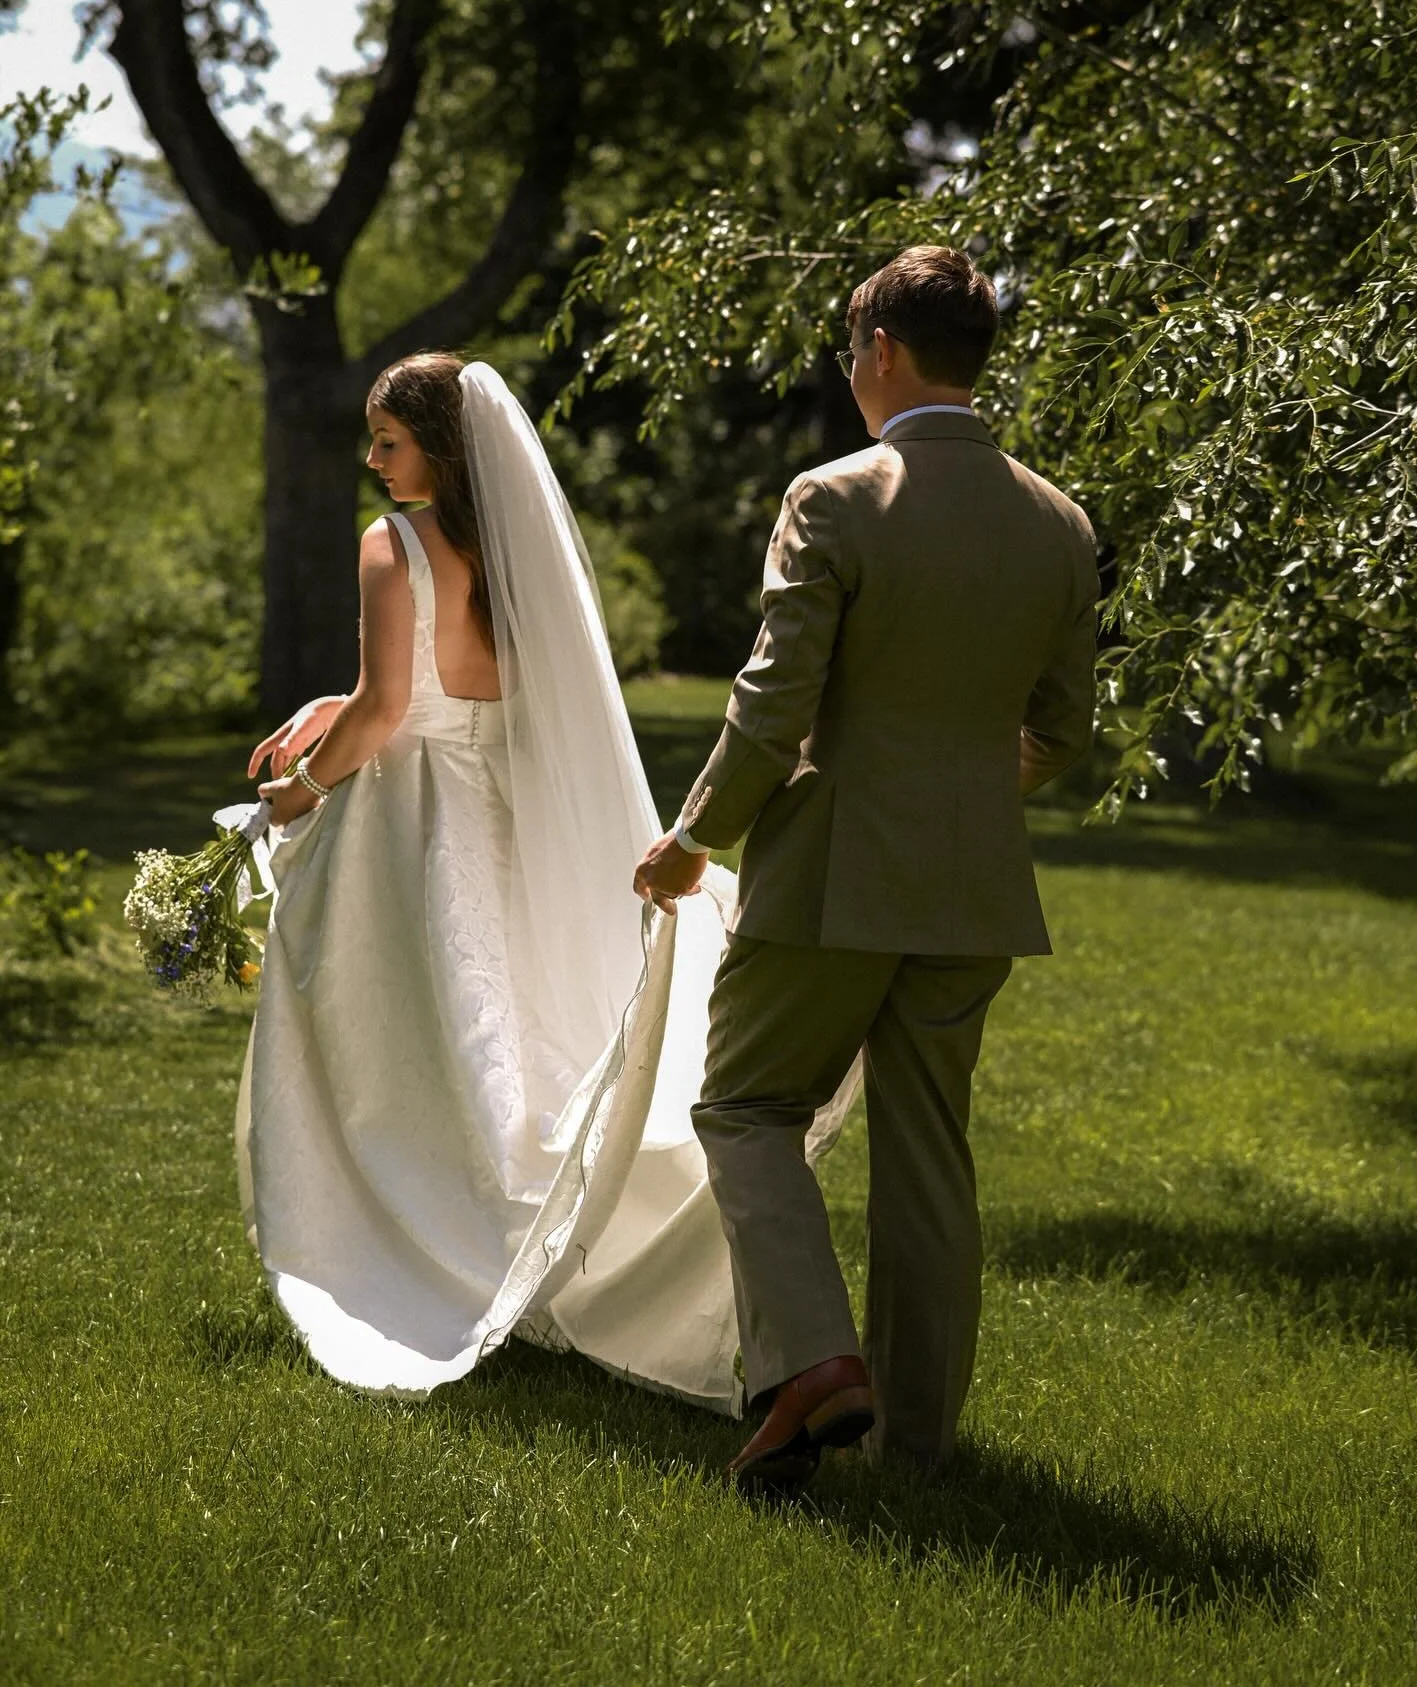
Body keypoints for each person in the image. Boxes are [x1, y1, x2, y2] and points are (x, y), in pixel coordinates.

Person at [237, 355, 853, 1409]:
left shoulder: (396, 542)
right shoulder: (513, 551)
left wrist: (299, 789)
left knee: (404, 1035)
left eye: (389, 440)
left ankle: (444, 1236)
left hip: (411, 814)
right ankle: (541, 1233)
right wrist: (329, 705)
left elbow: (391, 711)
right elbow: (423, 688)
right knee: (506, 1024)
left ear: (439, 443)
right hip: (499, 806)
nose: (374, 460)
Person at [635, 245, 1100, 1488]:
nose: (850, 374)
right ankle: (920, 1450)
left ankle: (817, 1362)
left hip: (833, 872)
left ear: (882, 352)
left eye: (850, 353)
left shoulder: (833, 496)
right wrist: (953, 792)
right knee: (930, 1155)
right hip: (974, 883)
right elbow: (1063, 730)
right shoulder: (1060, 519)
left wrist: (692, 840)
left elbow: (772, 704)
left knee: (744, 1108)